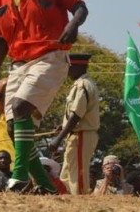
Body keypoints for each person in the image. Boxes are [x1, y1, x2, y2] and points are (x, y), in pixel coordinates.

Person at [0, 0, 88, 195]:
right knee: (12, 128)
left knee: (20, 107)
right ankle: (43, 183)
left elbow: (80, 8)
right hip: (18, 63)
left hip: (50, 57)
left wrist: (72, 25)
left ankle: (18, 178)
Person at [47, 53, 99, 195]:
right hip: (76, 135)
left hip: (81, 135)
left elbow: (77, 114)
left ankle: (81, 206)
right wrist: (63, 127)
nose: (67, 70)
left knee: (78, 176)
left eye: (69, 67)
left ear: (77, 67)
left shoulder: (82, 85)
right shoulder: (84, 83)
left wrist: (59, 138)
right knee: (67, 175)